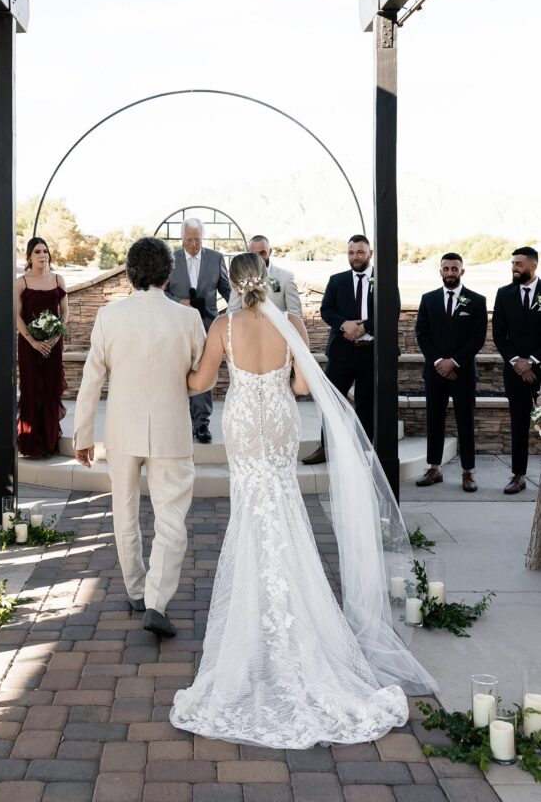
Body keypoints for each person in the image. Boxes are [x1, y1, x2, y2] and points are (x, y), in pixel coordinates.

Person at [169, 252, 435, 748]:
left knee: (250, 514)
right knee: (284, 509)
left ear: (232, 282)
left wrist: (174, 372)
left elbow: (201, 383)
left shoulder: (222, 326)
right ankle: (301, 623)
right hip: (281, 423)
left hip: (245, 424)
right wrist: (281, 377)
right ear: (266, 280)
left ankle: (252, 626)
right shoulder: (291, 321)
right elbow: (300, 385)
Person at [73, 237, 206, 637]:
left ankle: (135, 589)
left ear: (130, 273)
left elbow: (91, 379)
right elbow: (200, 378)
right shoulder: (189, 319)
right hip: (171, 430)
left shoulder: (109, 317)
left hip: (121, 429)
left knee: (125, 512)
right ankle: (156, 602)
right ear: (169, 273)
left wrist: (82, 434)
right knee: (171, 520)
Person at [414, 253, 487, 492]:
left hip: (463, 372)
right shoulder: (429, 299)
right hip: (435, 371)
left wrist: (453, 362)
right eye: (446, 269)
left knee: (465, 421)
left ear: (462, 271)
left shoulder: (476, 300)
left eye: (454, 269)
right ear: (440, 271)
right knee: (434, 420)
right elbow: (421, 334)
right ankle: (434, 468)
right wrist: (438, 362)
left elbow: (477, 338)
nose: (450, 273)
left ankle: (468, 472)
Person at [304, 234, 376, 464]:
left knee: (367, 404)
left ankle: (364, 451)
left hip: (371, 353)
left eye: (360, 252)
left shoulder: (383, 279)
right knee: (332, 401)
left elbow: (390, 310)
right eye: (351, 252)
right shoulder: (337, 280)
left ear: (370, 254)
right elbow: (326, 310)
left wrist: (364, 326)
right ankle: (326, 447)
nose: (355, 257)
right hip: (341, 353)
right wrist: (344, 324)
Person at [166, 218, 230, 444]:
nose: (193, 244)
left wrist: (237, 316)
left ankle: (202, 424)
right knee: (176, 373)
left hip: (207, 326)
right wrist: (177, 301)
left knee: (204, 372)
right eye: (189, 239)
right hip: (176, 326)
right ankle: (177, 422)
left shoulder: (216, 258)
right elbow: (159, 291)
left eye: (197, 239)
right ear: (182, 238)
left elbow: (228, 291)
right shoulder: (170, 259)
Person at [492, 246, 541, 495]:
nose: (514, 268)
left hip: (540, 370)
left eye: (519, 264)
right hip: (514, 372)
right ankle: (518, 476)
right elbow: (499, 333)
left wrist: (532, 361)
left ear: (533, 266)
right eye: (512, 263)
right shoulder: (504, 294)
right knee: (519, 423)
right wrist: (518, 363)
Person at [17, 237, 68, 458]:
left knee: (50, 388)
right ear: (29, 256)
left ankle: (49, 442)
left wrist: (56, 338)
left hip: (54, 343)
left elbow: (65, 312)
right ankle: (31, 444)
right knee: (31, 388)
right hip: (29, 345)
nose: (42, 255)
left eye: (45, 251)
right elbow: (16, 316)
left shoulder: (58, 279)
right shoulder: (22, 282)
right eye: (37, 252)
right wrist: (32, 341)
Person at [227, 235, 303, 317]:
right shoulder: (240, 278)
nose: (258, 257)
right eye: (254, 254)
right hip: (248, 328)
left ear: (270, 251)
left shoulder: (286, 277)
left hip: (277, 328)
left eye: (262, 253)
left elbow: (296, 313)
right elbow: (231, 311)